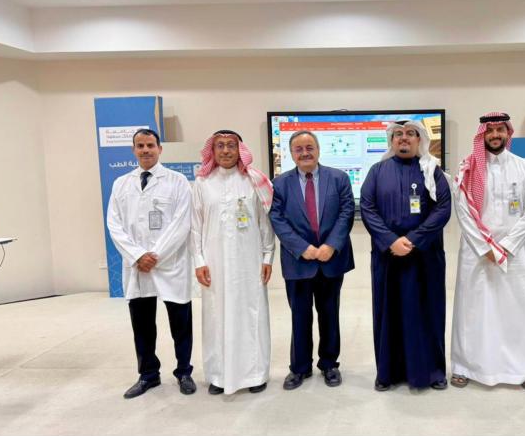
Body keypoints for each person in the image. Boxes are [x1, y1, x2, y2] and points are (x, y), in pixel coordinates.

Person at [450, 112, 525, 390]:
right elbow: (463, 213)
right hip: (477, 252)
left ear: (508, 133)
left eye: (500, 130)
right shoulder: (468, 169)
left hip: (516, 252)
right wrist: (485, 248)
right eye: (489, 130)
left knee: (519, 310)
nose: (494, 135)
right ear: (482, 134)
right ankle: (466, 367)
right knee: (474, 311)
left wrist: (506, 246)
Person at [360, 120, 451, 391]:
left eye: (410, 134)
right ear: (391, 141)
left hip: (425, 257)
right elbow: (367, 208)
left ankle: (432, 372)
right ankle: (387, 373)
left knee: (427, 313)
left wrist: (413, 240)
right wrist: (390, 241)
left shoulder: (432, 171)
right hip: (388, 258)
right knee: (389, 314)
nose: (404, 138)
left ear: (419, 139)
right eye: (398, 134)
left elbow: (443, 208)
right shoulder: (377, 171)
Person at [106, 128, 196, 399]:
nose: (145, 150)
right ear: (134, 150)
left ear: (160, 149)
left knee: (181, 323)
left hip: (170, 264)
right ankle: (148, 374)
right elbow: (114, 224)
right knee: (142, 325)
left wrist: (155, 255)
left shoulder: (178, 182)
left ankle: (184, 372)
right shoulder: (121, 184)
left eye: (150, 145)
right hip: (138, 267)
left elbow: (182, 223)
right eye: (140, 146)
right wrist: (137, 256)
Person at [191, 130, 275, 396]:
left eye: (231, 145)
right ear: (212, 151)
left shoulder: (254, 180)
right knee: (215, 317)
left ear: (240, 150)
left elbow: (265, 223)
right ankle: (218, 376)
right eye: (220, 146)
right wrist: (198, 261)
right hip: (214, 264)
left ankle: (255, 374)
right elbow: (195, 227)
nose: (226, 150)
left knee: (252, 315)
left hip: (249, 262)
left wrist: (268, 256)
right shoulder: (202, 183)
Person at [269, 130, 355, 390]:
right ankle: (299, 368)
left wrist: (331, 245)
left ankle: (329, 364)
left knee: (329, 314)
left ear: (318, 150)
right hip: (298, 261)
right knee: (300, 316)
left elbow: (347, 212)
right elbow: (277, 218)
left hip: (331, 260)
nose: (305, 153)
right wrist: (302, 247)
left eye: (309, 147)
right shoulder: (279, 184)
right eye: (299, 149)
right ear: (291, 153)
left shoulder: (338, 178)